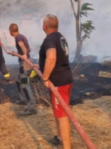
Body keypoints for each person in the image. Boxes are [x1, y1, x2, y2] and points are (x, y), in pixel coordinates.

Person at [38, 14, 73, 149]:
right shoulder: (60, 37)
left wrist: (45, 77)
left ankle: (66, 147)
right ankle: (59, 137)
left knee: (62, 115)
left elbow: (51, 58)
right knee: (60, 111)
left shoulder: (49, 39)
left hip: (58, 82)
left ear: (45, 26)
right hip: (66, 78)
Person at [8, 23, 37, 115]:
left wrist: (24, 54)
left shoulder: (18, 38)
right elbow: (29, 49)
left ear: (10, 31)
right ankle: (23, 99)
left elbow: (24, 48)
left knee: (24, 84)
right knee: (19, 80)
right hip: (25, 61)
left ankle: (31, 107)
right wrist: (17, 53)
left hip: (25, 63)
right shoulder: (22, 36)